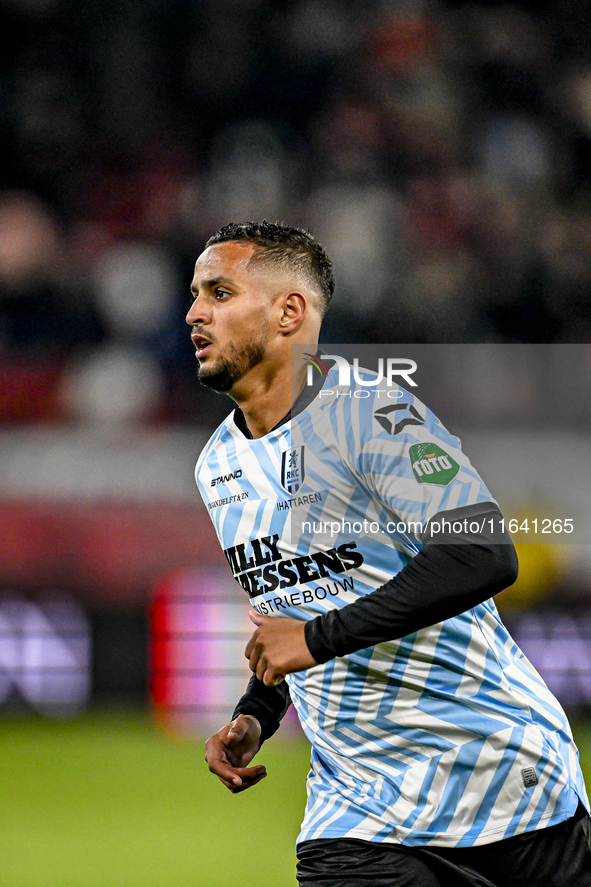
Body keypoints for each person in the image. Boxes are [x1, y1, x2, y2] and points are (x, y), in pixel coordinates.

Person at [187, 221, 591, 886]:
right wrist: (257, 712)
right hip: (355, 811)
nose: (194, 312)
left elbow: (483, 554)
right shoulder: (216, 465)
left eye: (220, 292)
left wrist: (316, 638)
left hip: (497, 781)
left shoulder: (368, 411)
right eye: (197, 294)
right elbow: (294, 608)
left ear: (289, 310)